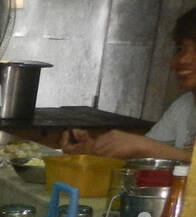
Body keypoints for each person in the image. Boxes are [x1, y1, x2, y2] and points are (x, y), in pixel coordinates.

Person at [63, 8, 196, 162]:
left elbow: (152, 149)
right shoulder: (183, 107)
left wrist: (145, 146)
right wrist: (92, 149)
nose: (183, 60)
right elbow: (144, 159)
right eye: (180, 50)